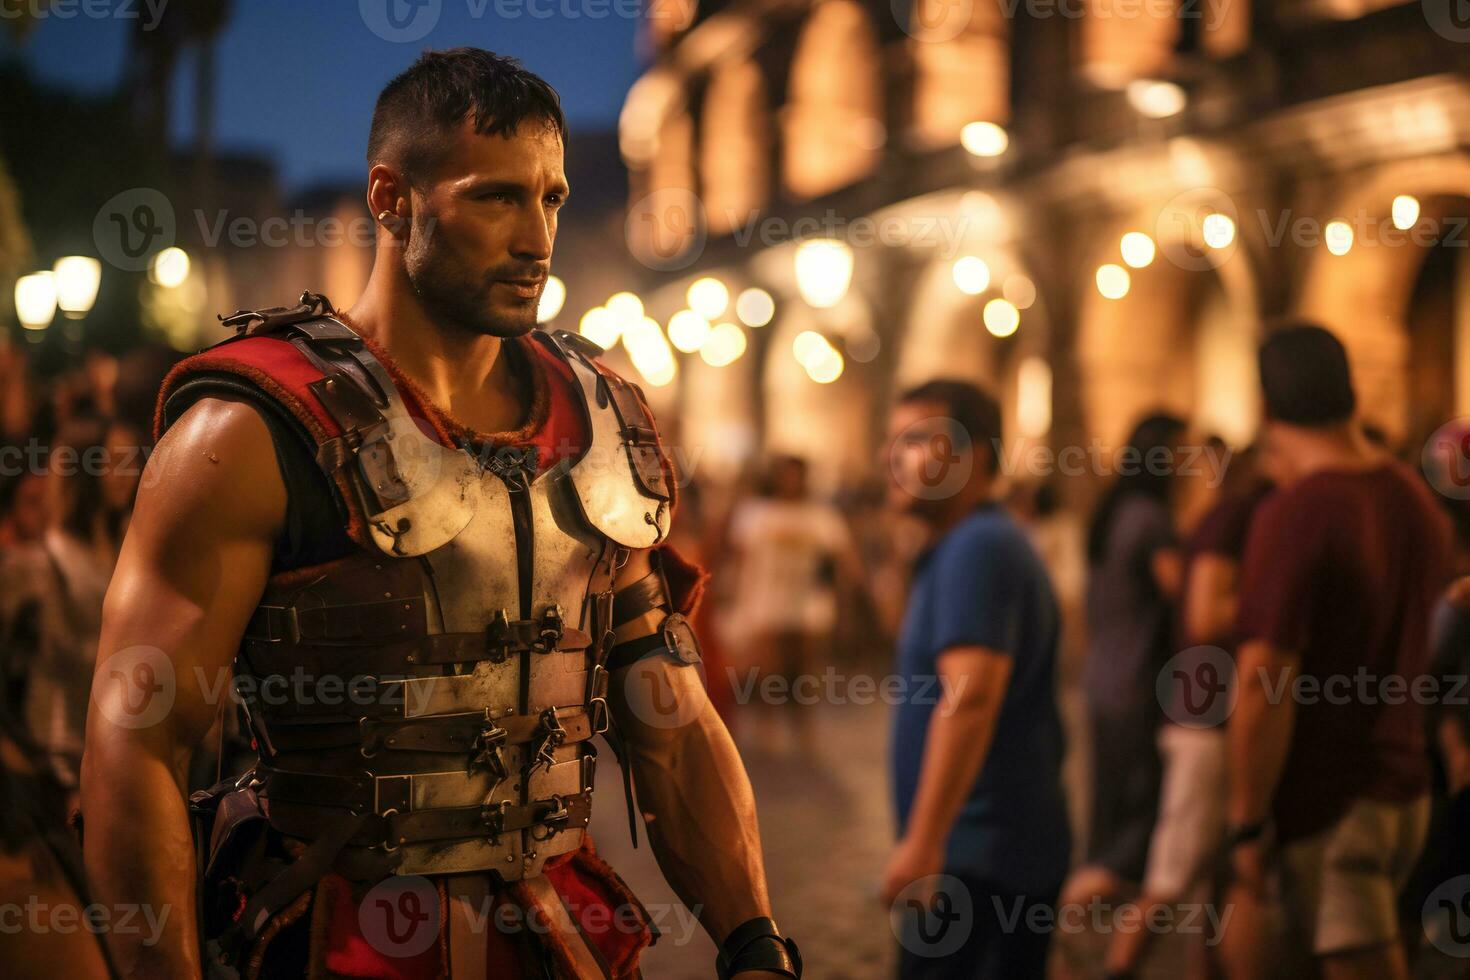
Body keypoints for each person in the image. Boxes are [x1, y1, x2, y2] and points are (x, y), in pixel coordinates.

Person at [82, 49, 799, 980]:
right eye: (497, 197)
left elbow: (667, 714)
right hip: (336, 948)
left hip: (558, 944)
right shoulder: (252, 429)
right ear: (390, 199)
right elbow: (136, 743)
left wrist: (754, 944)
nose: (537, 238)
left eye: (552, 198)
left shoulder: (600, 418)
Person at [1227, 323, 1451, 980]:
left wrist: (1245, 822)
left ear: (1266, 409)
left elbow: (1264, 679)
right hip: (1406, 792)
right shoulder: (1413, 497)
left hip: (1332, 801)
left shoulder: (1300, 511)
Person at [882, 380, 1070, 980]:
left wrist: (924, 841)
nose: (897, 459)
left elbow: (971, 695)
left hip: (978, 860)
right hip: (980, 854)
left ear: (975, 457)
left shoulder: (979, 547)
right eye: (894, 442)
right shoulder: (964, 545)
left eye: (918, 441)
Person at [1102, 448, 1271, 980]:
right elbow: (1202, 614)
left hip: (1206, 718)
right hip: (1204, 723)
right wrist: (1277, 602)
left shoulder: (1221, 520)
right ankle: (1117, 966)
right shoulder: (1233, 521)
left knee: (1211, 880)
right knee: (1173, 874)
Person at [1063, 413, 1186, 910]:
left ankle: (1096, 884)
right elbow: (1177, 589)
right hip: (1138, 677)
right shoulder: (1151, 520)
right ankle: (1094, 891)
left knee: (1109, 795)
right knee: (1140, 795)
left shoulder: (1112, 510)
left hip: (1104, 674)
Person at [727, 454, 863, 754]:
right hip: (765, 601)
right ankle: (768, 727)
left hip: (807, 603)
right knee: (768, 668)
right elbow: (739, 561)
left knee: (804, 669)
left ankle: (804, 728)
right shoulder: (757, 513)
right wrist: (738, 601)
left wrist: (844, 604)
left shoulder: (820, 516)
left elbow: (846, 561)